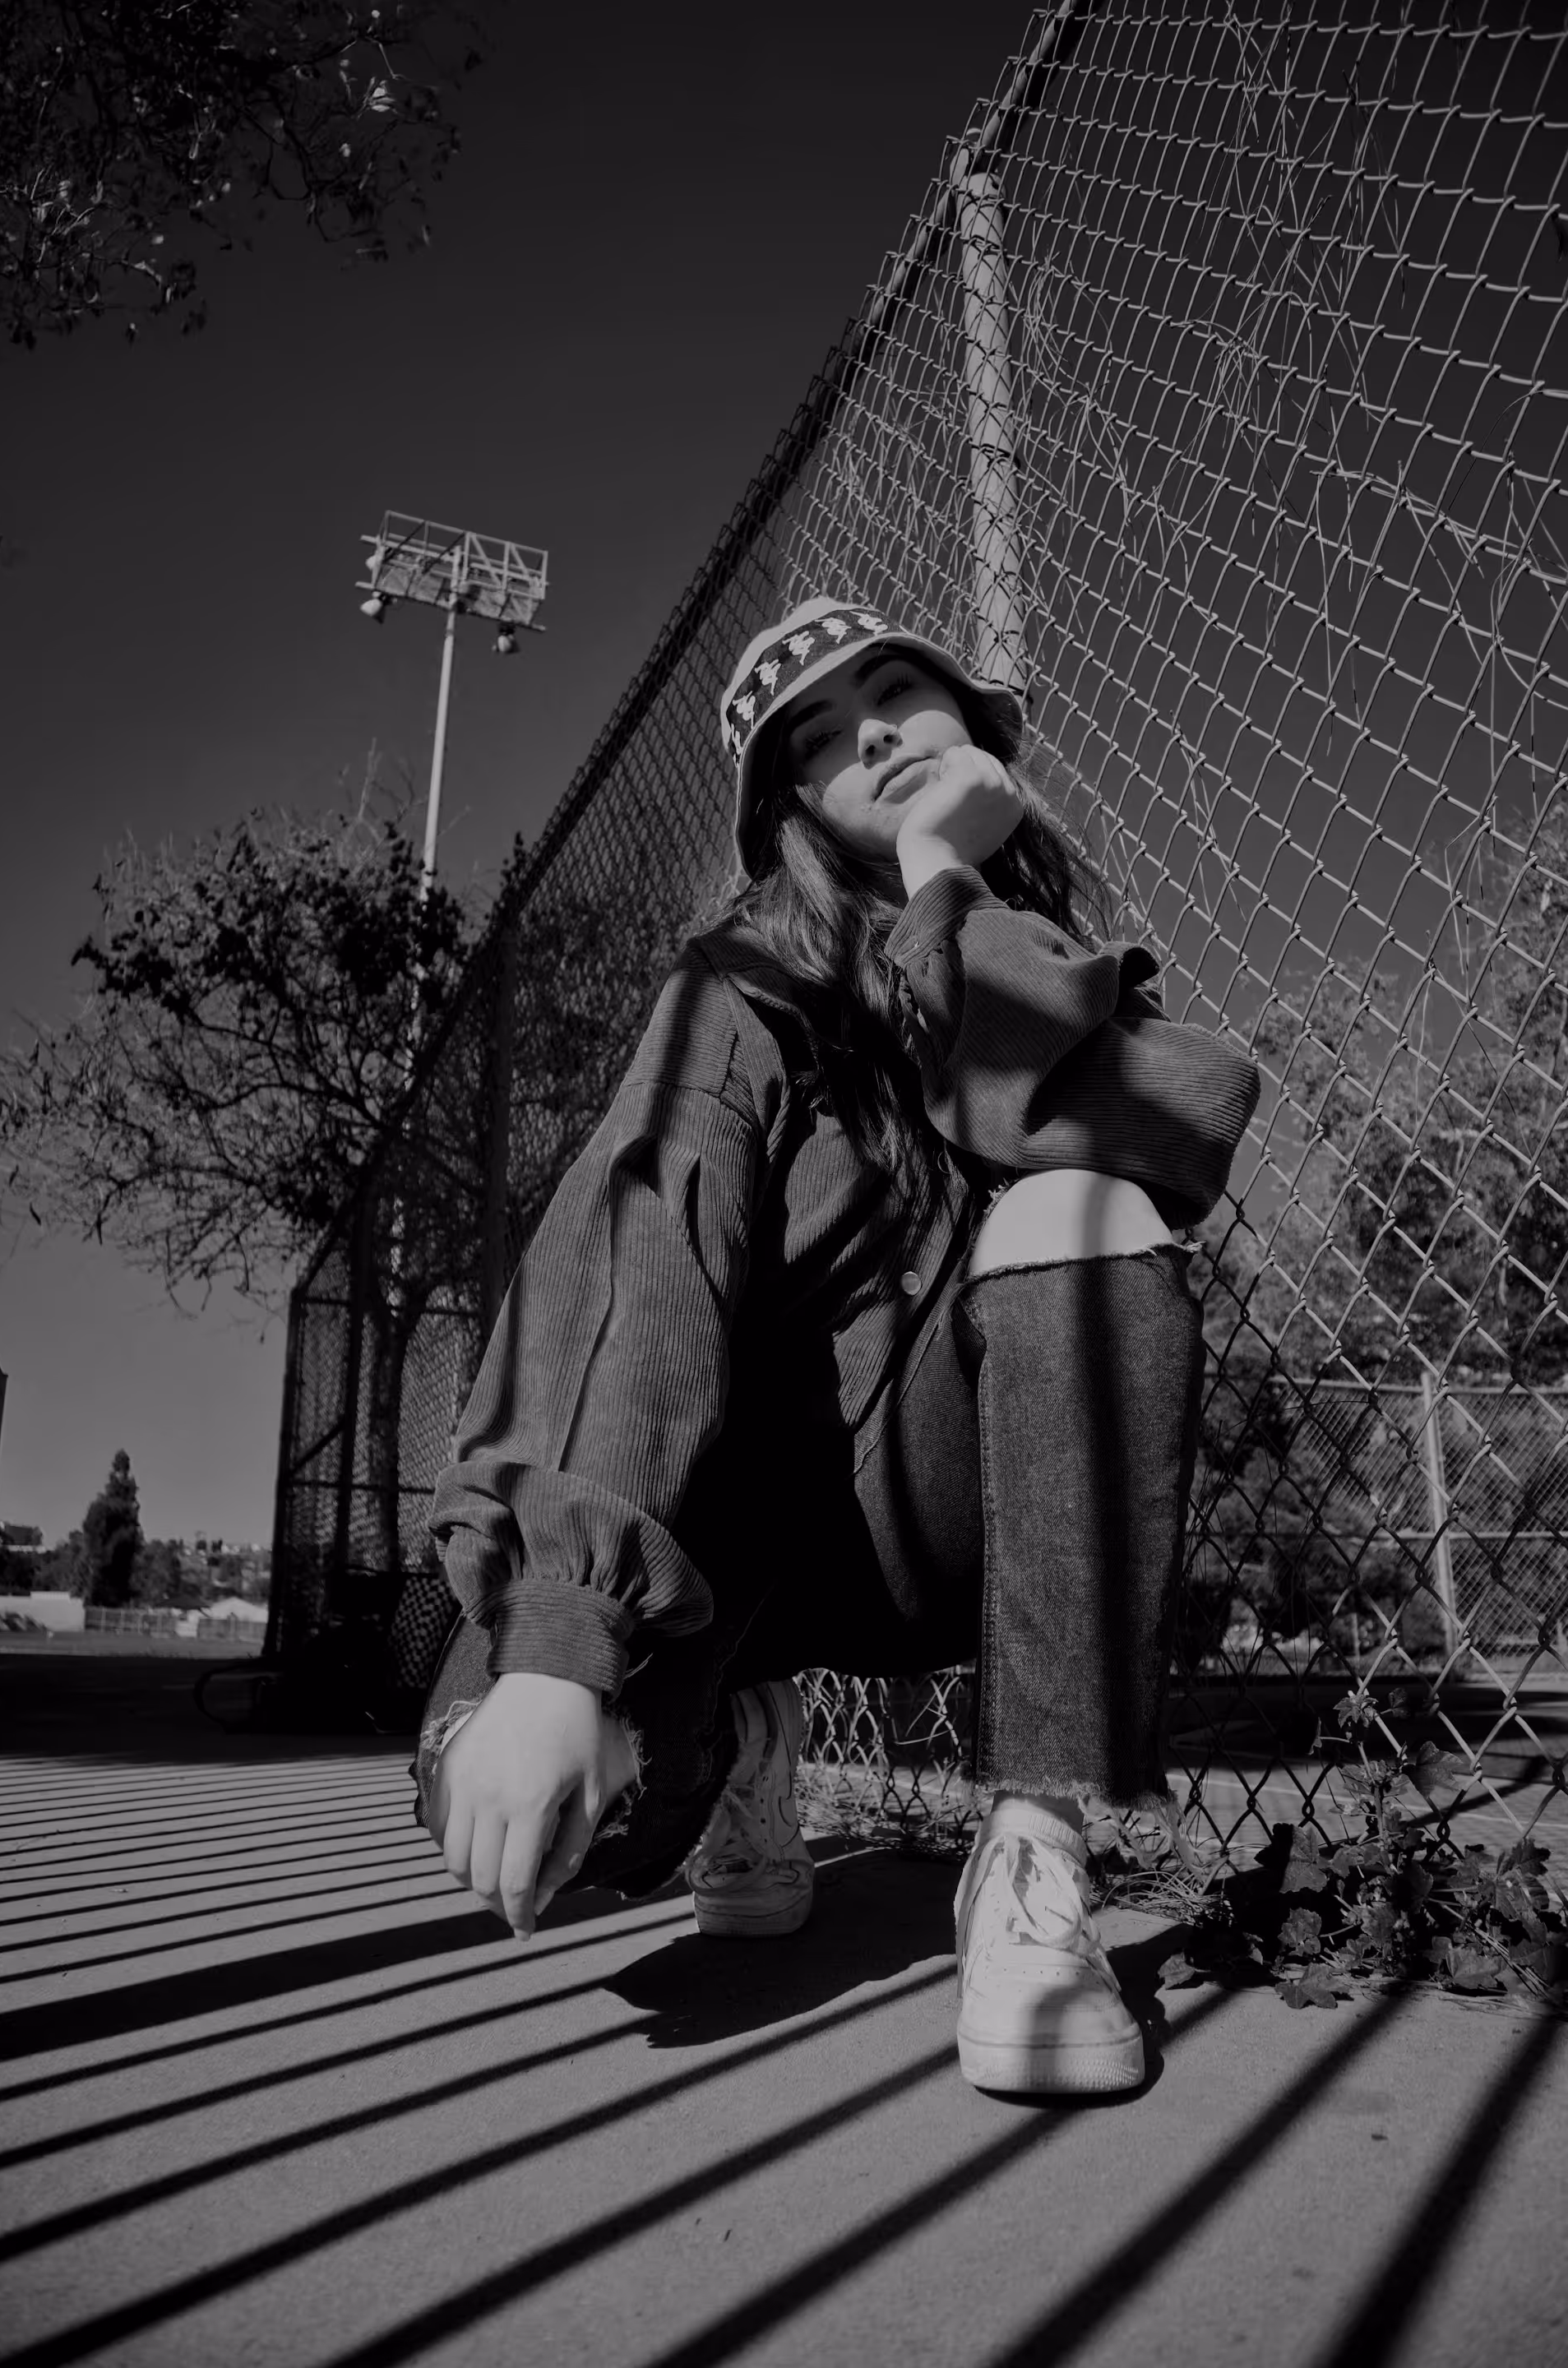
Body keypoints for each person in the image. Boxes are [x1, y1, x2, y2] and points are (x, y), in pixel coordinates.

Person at [418, 593, 1260, 2095]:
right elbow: (641, 1260)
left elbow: (1169, 1129)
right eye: (813, 734)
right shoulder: (733, 988)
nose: (864, 731)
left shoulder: (1038, 957)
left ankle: (1032, 1849)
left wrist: (949, 879)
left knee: (1080, 1202)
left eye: (894, 692)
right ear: (791, 804)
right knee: (511, 1788)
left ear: (969, 721)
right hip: (725, 1527)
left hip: (942, 1513)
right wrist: (559, 1644)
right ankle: (738, 1731)